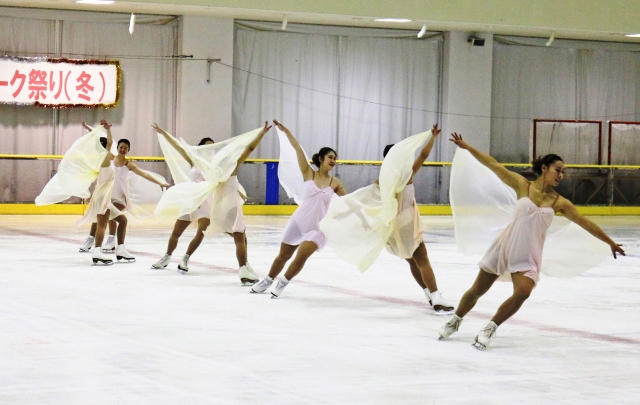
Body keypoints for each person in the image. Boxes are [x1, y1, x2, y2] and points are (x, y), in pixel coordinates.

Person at [439, 132, 625, 349]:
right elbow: (492, 164)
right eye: (558, 169)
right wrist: (467, 147)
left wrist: (609, 242)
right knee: (477, 290)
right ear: (544, 168)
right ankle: (456, 320)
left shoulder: (559, 202)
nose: (561, 175)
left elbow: (585, 222)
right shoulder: (522, 185)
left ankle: (491, 326)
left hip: (528, 255)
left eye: (563, 172)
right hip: (505, 247)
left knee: (523, 292)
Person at [151, 122, 270, 283]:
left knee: (205, 233)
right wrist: (164, 133)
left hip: (208, 200)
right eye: (207, 146)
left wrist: (240, 193)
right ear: (200, 148)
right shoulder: (196, 161)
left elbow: (228, 182)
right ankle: (167, 256)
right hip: (193, 198)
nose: (210, 149)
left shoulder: (216, 166)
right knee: (177, 232)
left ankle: (186, 258)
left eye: (212, 147)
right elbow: (179, 147)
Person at [251, 119, 347, 297]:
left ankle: (283, 282)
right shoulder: (308, 173)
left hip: (317, 228)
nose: (333, 161)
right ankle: (267, 280)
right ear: (321, 159)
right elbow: (297, 149)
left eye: (335, 158)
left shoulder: (335, 183)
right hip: (298, 221)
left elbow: (349, 201)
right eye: (330, 157)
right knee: (283, 256)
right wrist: (286, 131)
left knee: (301, 255)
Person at [382, 124, 454, 314]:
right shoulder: (406, 174)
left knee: (412, 261)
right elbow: (423, 155)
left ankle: (429, 294)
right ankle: (436, 297)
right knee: (422, 260)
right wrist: (433, 137)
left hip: (393, 225)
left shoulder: (382, 179)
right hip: (407, 222)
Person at [79, 127, 169, 253]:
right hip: (107, 193)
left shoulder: (129, 164)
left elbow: (145, 174)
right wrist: (91, 130)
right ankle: (91, 239)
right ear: (117, 148)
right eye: (121, 147)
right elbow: (103, 143)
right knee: (99, 216)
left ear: (128, 150)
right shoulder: (110, 158)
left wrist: (160, 182)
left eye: (125, 148)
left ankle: (110, 240)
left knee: (111, 215)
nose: (122, 149)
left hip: (120, 197)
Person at [79, 120, 135, 264]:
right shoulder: (104, 158)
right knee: (102, 224)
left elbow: (105, 141)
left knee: (122, 220)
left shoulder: (106, 158)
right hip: (103, 197)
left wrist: (91, 130)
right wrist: (107, 130)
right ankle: (97, 251)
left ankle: (120, 249)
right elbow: (109, 142)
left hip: (102, 196)